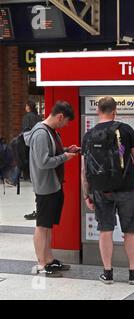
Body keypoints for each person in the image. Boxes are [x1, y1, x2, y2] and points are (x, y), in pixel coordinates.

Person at [81, 96, 134, 285]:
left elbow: (84, 169)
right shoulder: (126, 129)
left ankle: (107, 273)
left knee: (105, 230)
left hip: (100, 190)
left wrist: (86, 193)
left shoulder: (89, 135)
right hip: (126, 189)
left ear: (97, 111)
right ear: (115, 111)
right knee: (130, 231)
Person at [24, 101, 80, 277]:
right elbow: (43, 161)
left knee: (48, 225)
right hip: (45, 186)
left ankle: (49, 259)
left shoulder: (51, 132)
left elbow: (50, 153)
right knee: (42, 225)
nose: (66, 125)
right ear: (60, 116)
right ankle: (42, 264)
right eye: (66, 122)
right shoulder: (41, 133)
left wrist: (65, 150)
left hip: (53, 184)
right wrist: (65, 157)